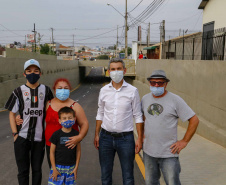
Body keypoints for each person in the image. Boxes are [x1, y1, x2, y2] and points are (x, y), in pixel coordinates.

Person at [141, 70, 199, 185]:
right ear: (149, 83)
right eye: (153, 83)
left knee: (172, 182)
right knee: (150, 182)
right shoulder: (145, 99)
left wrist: (184, 141)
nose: (156, 85)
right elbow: (142, 118)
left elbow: (194, 120)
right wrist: (141, 134)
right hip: (148, 153)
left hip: (169, 154)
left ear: (166, 84)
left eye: (160, 83)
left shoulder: (175, 100)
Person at [94, 58, 144, 185]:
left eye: (119, 69)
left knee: (128, 177)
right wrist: (97, 134)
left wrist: (139, 138)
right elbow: (100, 113)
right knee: (105, 176)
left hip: (126, 139)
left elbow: (138, 116)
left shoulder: (133, 91)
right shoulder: (104, 91)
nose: (116, 72)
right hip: (105, 138)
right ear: (108, 71)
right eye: (113, 69)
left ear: (124, 70)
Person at [5, 59, 54, 185]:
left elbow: (51, 111)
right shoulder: (18, 91)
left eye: (36, 71)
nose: (33, 73)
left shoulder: (46, 90)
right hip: (22, 138)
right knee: (23, 171)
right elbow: (12, 113)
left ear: (40, 73)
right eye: (29, 71)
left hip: (39, 138)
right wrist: (15, 134)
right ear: (24, 74)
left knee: (37, 171)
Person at [45, 78, 89, 168]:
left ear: (69, 90)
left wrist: (79, 137)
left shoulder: (75, 106)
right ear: (54, 90)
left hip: (69, 145)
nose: (63, 90)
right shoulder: (47, 104)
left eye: (66, 88)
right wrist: (19, 117)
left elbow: (84, 123)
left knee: (68, 172)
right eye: (60, 88)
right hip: (51, 145)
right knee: (54, 172)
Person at [48, 107, 81, 185]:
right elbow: (51, 152)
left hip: (71, 168)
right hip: (57, 167)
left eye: (70, 118)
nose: (67, 120)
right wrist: (54, 168)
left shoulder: (76, 134)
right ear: (59, 121)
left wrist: (76, 168)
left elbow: (78, 151)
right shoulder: (56, 134)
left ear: (74, 119)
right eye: (64, 118)